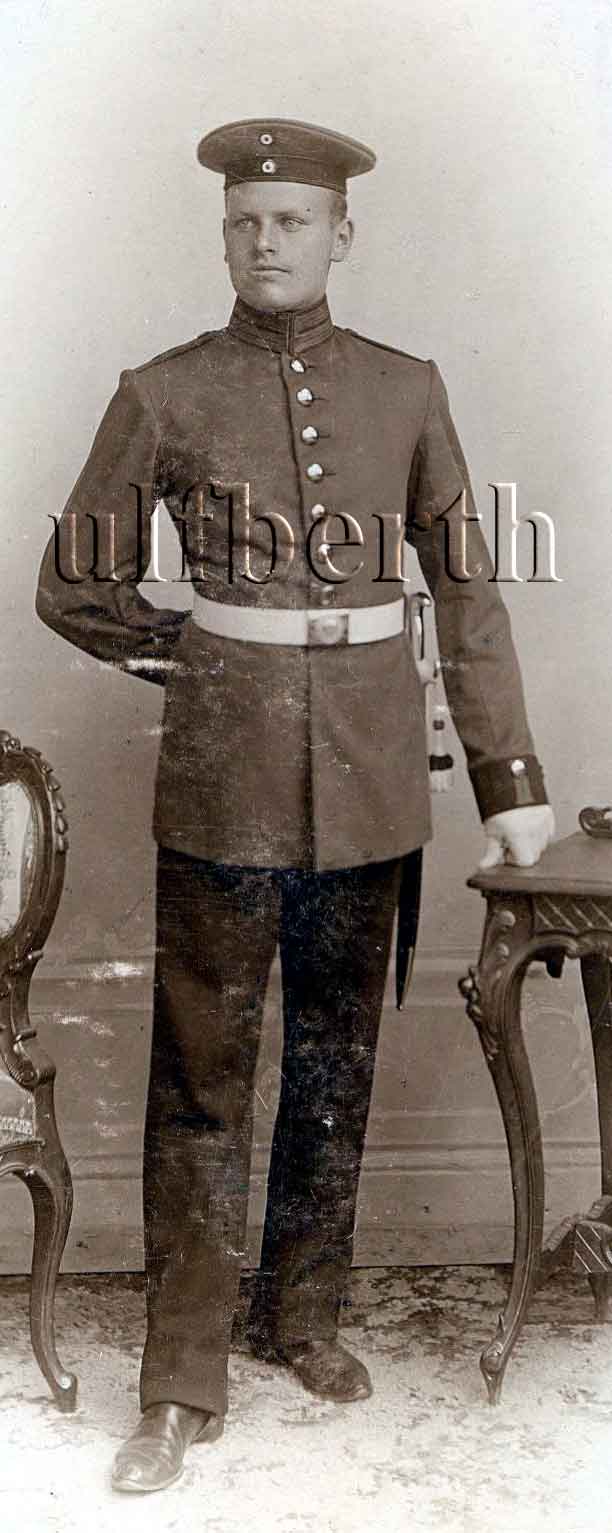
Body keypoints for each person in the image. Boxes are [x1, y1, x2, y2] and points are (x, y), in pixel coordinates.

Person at [35, 117, 555, 1494]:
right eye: (245, 222)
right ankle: (179, 1378)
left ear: (341, 233)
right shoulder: (164, 392)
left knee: (336, 1059)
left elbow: (468, 591)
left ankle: (301, 1312)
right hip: (225, 777)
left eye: (292, 220)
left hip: (376, 777)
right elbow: (74, 584)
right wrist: (203, 651)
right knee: (203, 1076)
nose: (266, 242)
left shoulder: (405, 388)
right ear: (224, 237)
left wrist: (510, 782)